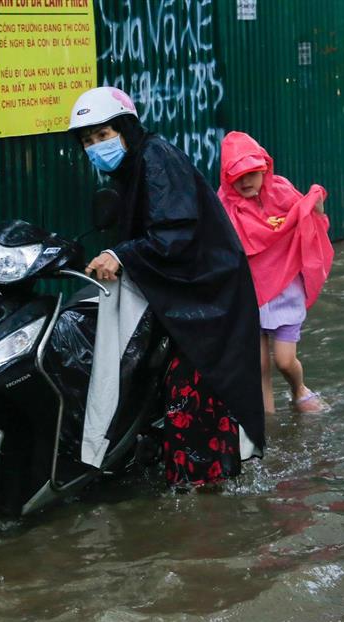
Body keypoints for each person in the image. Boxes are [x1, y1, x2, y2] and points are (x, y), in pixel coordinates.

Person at [68, 87, 266, 488]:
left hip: (208, 297)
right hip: (185, 293)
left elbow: (173, 233)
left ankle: (202, 488)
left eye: (103, 135)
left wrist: (120, 255)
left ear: (126, 130)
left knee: (191, 387)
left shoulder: (155, 158)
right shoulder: (134, 167)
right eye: (88, 141)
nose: (96, 147)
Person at [216, 131, 334, 415]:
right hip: (249, 295)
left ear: (264, 169)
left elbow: (308, 216)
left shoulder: (281, 191)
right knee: (258, 366)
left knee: (284, 360)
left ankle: (299, 389)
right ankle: (267, 423)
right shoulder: (224, 204)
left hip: (285, 291)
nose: (245, 181)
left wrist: (316, 203)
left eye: (252, 173)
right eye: (237, 175)